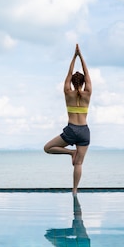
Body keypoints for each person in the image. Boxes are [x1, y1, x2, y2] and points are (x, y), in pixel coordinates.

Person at [44, 44, 92, 194]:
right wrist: (81, 56)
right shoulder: (88, 93)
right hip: (84, 131)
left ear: (71, 82)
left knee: (48, 148)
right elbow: (87, 72)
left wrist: (74, 56)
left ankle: (70, 152)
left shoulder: (67, 92)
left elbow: (69, 72)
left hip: (71, 130)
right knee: (79, 164)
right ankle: (75, 190)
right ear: (84, 83)